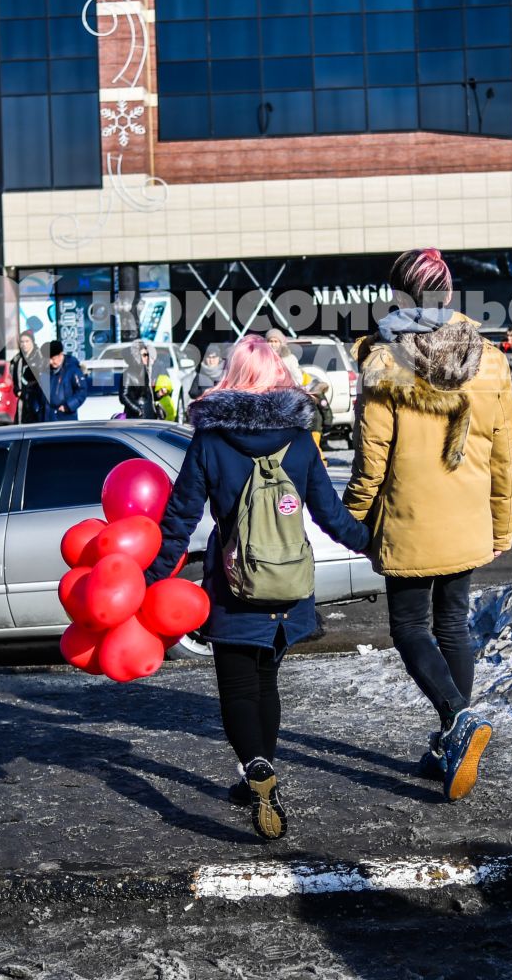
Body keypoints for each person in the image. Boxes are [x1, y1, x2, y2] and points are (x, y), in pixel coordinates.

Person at [147, 336, 370, 841]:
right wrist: (373, 544)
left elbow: (179, 518)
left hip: (233, 587)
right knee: (265, 684)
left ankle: (255, 768)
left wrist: (151, 578)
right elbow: (330, 515)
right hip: (288, 587)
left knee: (237, 690)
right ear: (278, 377)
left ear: (232, 376)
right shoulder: (299, 438)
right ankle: (258, 776)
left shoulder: (210, 440)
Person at [345, 248, 512, 803]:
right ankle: (451, 744)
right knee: (453, 629)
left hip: (410, 518)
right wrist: (502, 525)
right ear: (449, 294)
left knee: (409, 629)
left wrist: (350, 518)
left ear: (398, 295)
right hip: (467, 519)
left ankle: (457, 720)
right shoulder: (488, 358)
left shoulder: (385, 360)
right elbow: (504, 455)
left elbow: (372, 456)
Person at [43, 341, 88, 421]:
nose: (51, 362)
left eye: (53, 359)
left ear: (60, 355)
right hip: (48, 417)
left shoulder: (72, 369)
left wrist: (68, 406)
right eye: (49, 359)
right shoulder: (46, 370)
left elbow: (82, 391)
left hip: (65, 418)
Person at [10, 330, 47, 424]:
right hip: (22, 400)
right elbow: (14, 380)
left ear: (32, 342)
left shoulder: (40, 357)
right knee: (21, 425)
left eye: (27, 341)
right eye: (22, 342)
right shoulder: (17, 360)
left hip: (36, 398)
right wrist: (17, 391)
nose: (24, 344)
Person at [121, 343, 161, 420]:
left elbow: (146, 395)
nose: (147, 357)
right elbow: (124, 396)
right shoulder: (128, 374)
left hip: (149, 414)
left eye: (147, 355)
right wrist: (138, 410)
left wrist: (158, 394)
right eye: (144, 355)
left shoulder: (144, 371)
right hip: (137, 417)